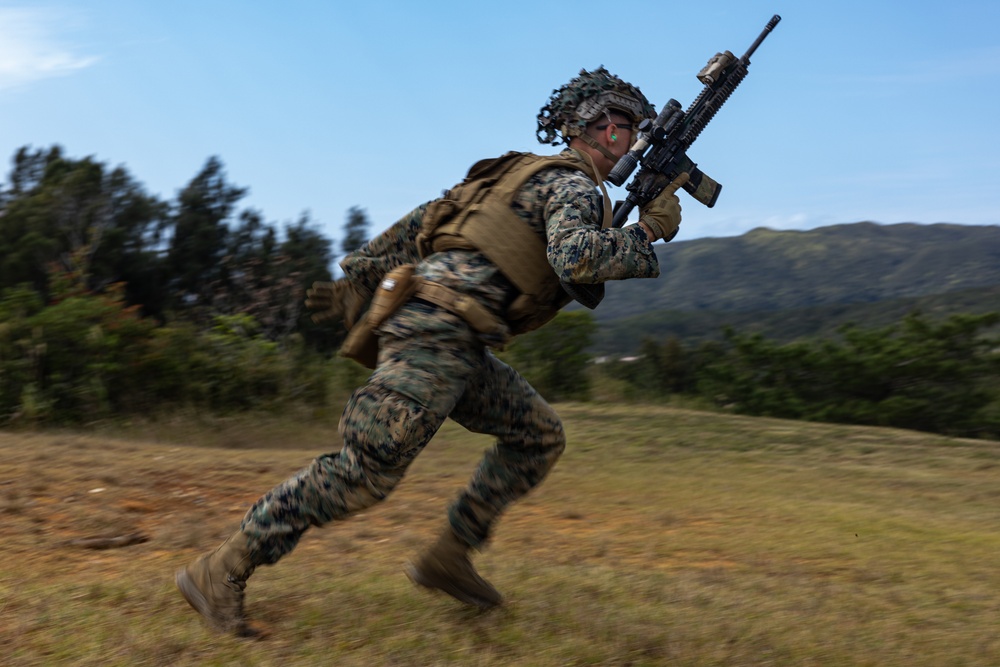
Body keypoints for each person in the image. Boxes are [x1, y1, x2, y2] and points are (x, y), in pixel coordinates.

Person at [175, 67, 688, 637]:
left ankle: (449, 557)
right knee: (365, 470)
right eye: (632, 128)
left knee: (537, 435)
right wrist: (647, 231)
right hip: (440, 331)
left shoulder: (514, 173)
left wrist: (361, 274)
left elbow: (427, 218)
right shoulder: (572, 186)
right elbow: (578, 260)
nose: (635, 141)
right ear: (604, 128)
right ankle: (219, 571)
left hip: (456, 335)